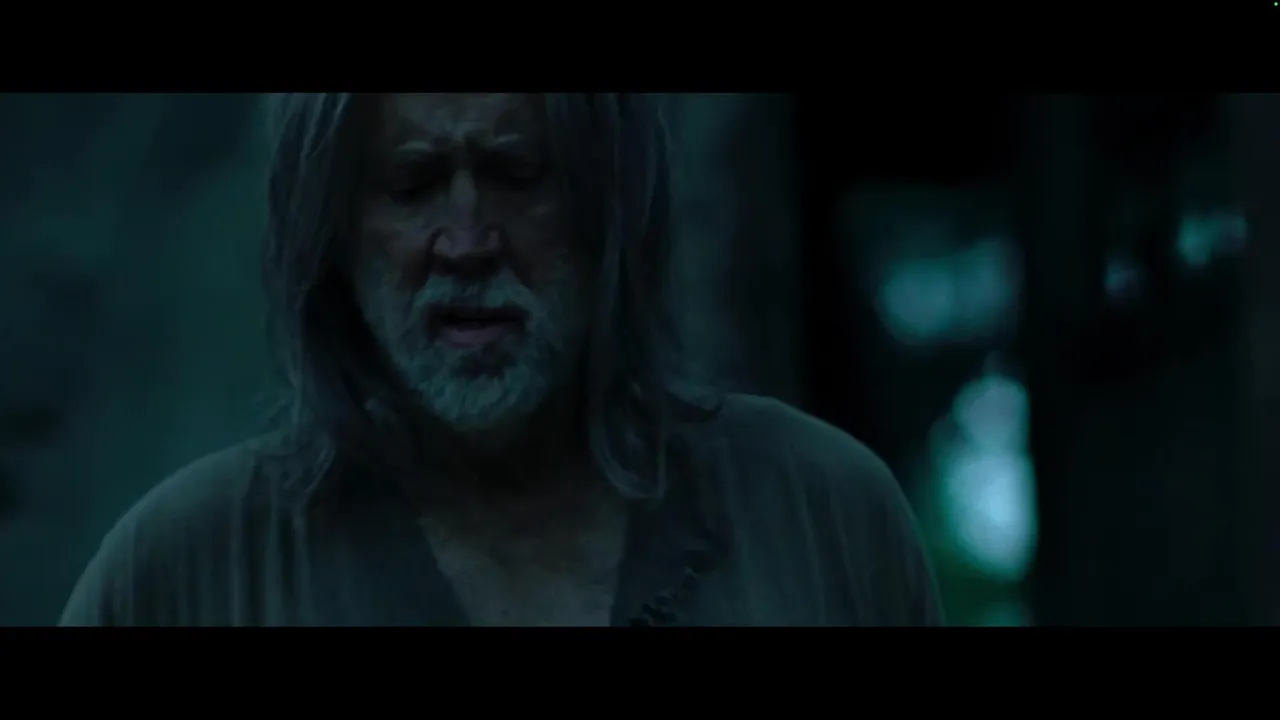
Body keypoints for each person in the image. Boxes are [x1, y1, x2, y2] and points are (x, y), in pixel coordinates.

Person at [60, 93, 942, 626]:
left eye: (519, 175)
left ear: (606, 205)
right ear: (334, 233)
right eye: (412, 185)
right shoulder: (184, 571)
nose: (469, 242)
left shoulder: (822, 514)